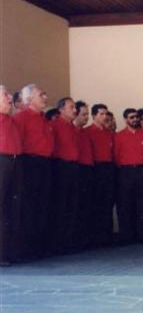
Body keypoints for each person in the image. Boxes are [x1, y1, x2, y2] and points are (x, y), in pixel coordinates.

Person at [13, 84, 54, 260]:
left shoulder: (44, 118)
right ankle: (27, 249)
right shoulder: (21, 117)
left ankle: (40, 247)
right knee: (29, 206)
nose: (45, 97)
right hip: (30, 163)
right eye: (41, 95)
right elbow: (18, 142)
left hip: (45, 164)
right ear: (29, 99)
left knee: (43, 205)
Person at [114, 108, 143, 244]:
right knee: (126, 204)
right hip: (126, 171)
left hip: (142, 170)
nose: (135, 119)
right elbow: (116, 156)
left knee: (142, 203)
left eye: (136, 117)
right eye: (131, 117)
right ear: (125, 119)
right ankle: (126, 236)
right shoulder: (119, 136)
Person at [49, 97, 79, 254]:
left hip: (74, 166)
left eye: (75, 107)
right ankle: (58, 242)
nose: (75, 110)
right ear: (61, 109)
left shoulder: (73, 128)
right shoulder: (54, 125)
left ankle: (68, 241)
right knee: (61, 204)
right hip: (61, 166)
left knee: (71, 204)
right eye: (71, 107)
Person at [85, 103, 115, 247]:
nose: (104, 117)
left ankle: (106, 236)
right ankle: (95, 237)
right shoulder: (88, 132)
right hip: (96, 168)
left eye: (105, 114)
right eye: (101, 114)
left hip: (108, 168)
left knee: (107, 202)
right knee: (96, 202)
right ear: (94, 116)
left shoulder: (108, 133)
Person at [0, 85, 21, 266]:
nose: (9, 97)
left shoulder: (11, 120)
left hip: (14, 162)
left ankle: (9, 251)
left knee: (11, 207)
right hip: (2, 160)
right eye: (4, 94)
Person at [73, 100, 94, 251]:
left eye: (87, 114)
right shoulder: (71, 130)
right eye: (83, 114)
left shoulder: (85, 132)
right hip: (77, 170)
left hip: (88, 169)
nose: (86, 117)